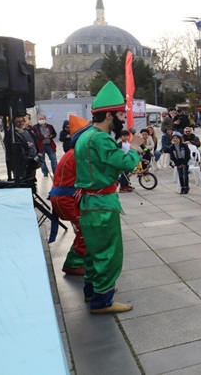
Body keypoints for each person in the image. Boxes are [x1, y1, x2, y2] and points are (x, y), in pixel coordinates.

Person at [74, 81, 140, 314]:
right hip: (101, 204)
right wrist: (134, 148)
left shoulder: (86, 135)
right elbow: (124, 163)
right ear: (110, 115)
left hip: (89, 202)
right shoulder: (101, 139)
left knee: (93, 251)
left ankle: (93, 291)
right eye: (120, 114)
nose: (122, 118)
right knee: (109, 252)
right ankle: (103, 300)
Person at [52, 115, 91, 276]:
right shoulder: (78, 155)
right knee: (85, 231)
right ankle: (73, 264)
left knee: (83, 230)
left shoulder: (72, 153)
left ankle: (77, 260)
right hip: (66, 199)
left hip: (64, 198)